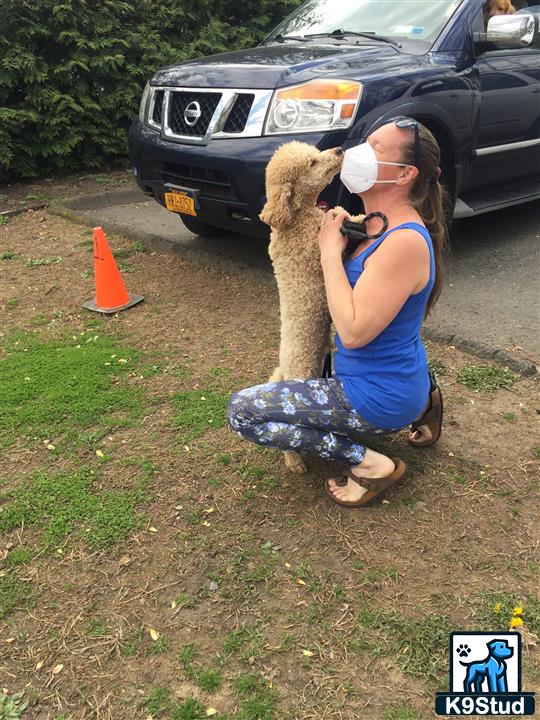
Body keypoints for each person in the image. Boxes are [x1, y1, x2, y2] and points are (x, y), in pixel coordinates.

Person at [227, 117, 447, 508]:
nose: (359, 152)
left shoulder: (403, 242)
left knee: (243, 412)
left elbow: (354, 332)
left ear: (405, 175)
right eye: (367, 141)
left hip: (374, 398)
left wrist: (331, 254)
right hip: (391, 379)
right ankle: (425, 403)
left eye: (377, 149)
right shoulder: (376, 224)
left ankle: (371, 464)